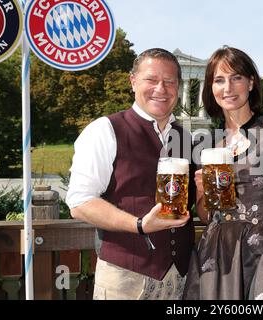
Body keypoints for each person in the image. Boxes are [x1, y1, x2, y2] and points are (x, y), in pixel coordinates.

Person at [183, 46, 263, 300]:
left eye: (236, 78)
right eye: (219, 80)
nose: (228, 88)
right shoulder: (210, 146)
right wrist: (201, 192)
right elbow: (209, 215)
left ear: (251, 83)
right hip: (217, 256)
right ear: (211, 88)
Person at [66, 48, 195, 300]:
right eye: (151, 79)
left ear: (178, 87)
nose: (161, 88)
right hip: (124, 278)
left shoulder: (186, 138)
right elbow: (80, 202)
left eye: (170, 81)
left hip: (181, 278)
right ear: (133, 81)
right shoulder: (105, 130)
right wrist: (139, 225)